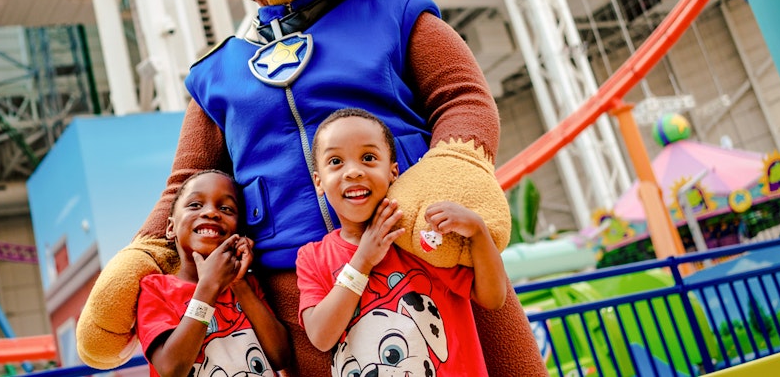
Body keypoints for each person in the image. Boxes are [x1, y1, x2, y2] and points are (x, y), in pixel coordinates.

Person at [296, 109, 508, 377]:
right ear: (319, 182)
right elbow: (321, 336)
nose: (353, 172)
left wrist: (478, 232)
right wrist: (362, 260)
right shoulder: (312, 257)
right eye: (336, 161)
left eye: (369, 158)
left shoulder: (420, 235)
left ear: (393, 172)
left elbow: (493, 298)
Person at [137, 170, 292, 377]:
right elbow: (171, 370)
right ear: (171, 228)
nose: (211, 212)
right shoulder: (155, 289)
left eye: (226, 208)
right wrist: (208, 287)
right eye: (195, 205)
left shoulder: (248, 284)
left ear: (239, 230)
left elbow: (281, 357)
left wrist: (238, 283)